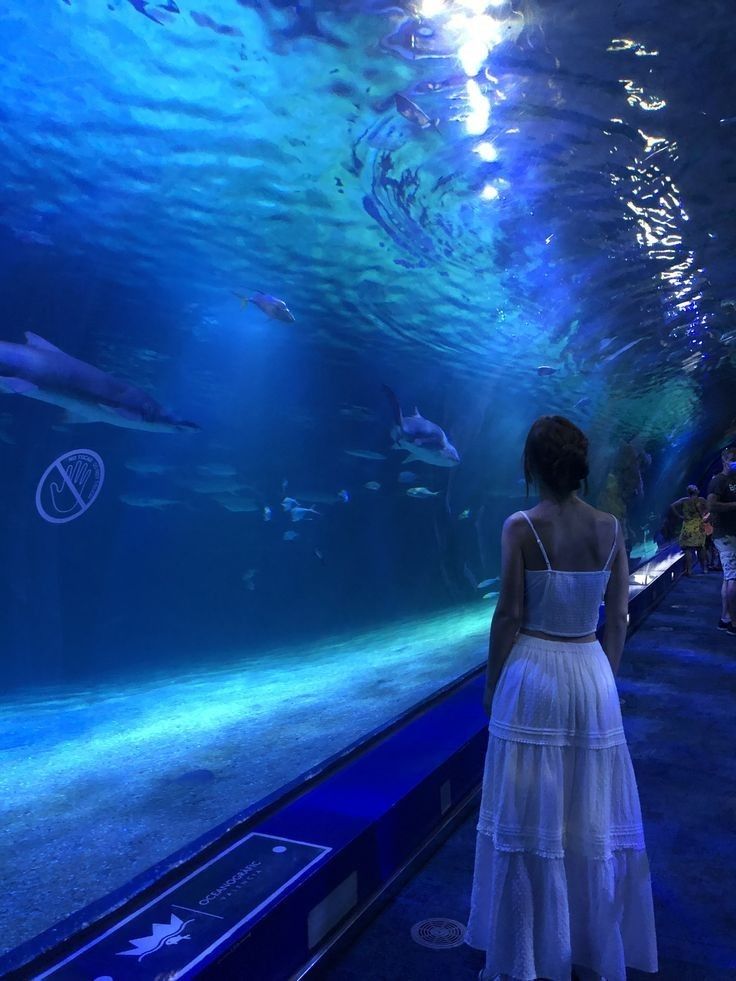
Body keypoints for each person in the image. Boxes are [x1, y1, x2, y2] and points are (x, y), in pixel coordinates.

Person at [466, 415, 657, 981]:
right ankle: (589, 944)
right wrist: (605, 677)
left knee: (530, 814)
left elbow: (509, 615)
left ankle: (526, 951)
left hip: (534, 675)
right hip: (590, 668)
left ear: (531, 466)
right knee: (587, 811)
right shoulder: (613, 528)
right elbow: (618, 616)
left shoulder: (520, 526)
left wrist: (493, 682)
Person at [706, 444, 736, 634]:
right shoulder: (718, 481)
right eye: (732, 458)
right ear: (724, 460)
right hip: (726, 535)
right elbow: (711, 505)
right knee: (733, 577)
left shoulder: (733, 479)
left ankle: (725, 618)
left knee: (729, 577)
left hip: (732, 534)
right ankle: (734, 623)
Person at [670, 484, 707, 575]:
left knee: (688, 549)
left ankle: (689, 570)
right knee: (700, 548)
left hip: (688, 527)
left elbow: (672, 506)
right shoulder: (701, 500)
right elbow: (709, 507)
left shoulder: (684, 500)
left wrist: (680, 516)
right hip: (698, 527)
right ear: (697, 491)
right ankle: (705, 569)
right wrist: (704, 515)